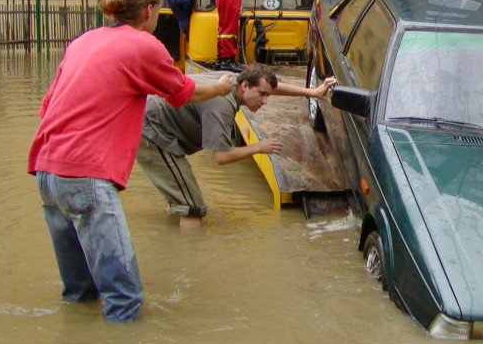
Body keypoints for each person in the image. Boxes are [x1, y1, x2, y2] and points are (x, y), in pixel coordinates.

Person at [28, 0, 236, 322]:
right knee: (125, 299)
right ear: (149, 11)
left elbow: (47, 107)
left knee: (78, 292)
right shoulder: (144, 45)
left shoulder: (82, 42)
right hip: (86, 175)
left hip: (47, 172)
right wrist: (220, 86)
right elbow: (181, 92)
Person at [137, 64, 336, 229]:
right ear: (245, 86)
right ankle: (190, 262)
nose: (266, 101)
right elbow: (221, 157)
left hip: (151, 123)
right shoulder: (221, 106)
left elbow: (271, 87)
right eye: (262, 95)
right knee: (193, 208)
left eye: (268, 95)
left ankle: (171, 234)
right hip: (152, 133)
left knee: (182, 198)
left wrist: (313, 92)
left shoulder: (231, 80)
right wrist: (258, 147)